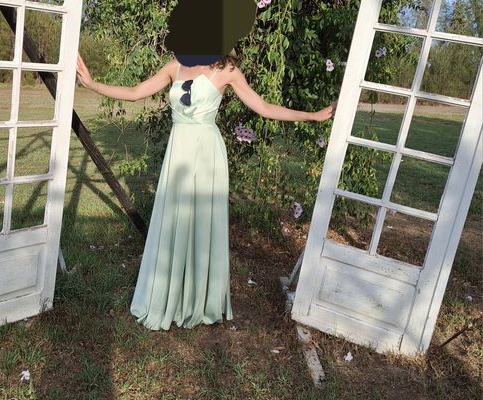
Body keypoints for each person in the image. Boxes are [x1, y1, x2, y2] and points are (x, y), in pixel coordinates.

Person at [75, 48, 334, 331]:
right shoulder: (175, 65)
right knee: (174, 219)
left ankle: (197, 299)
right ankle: (167, 294)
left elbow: (263, 107)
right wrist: (92, 84)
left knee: (200, 223)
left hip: (207, 154)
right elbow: (136, 92)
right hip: (179, 152)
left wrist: (313, 116)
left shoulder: (227, 70)